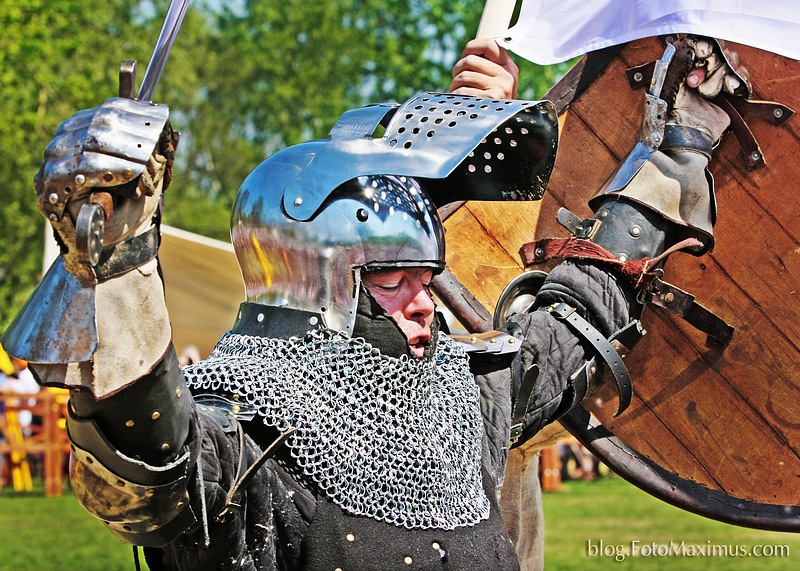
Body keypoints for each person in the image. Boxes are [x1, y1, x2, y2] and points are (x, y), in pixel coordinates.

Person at [2, 34, 745, 570]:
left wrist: (678, 146)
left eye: (427, 278)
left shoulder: (464, 394)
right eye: (394, 281)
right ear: (315, 279)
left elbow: (575, 316)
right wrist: (120, 260)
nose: (427, 304)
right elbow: (144, 471)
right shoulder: (244, 435)